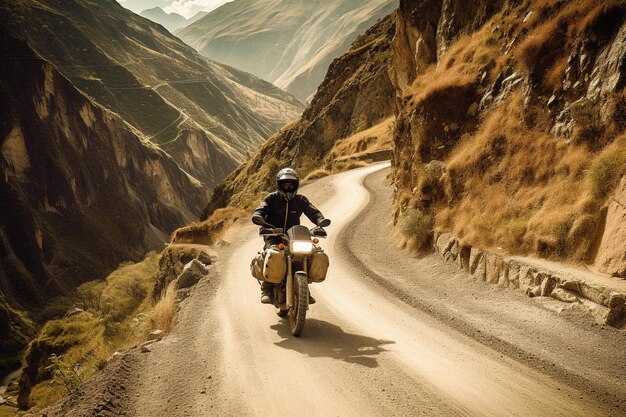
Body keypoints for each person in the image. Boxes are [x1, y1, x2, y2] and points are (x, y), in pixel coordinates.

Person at [252, 167, 329, 304]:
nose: (288, 188)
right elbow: (261, 210)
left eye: (291, 184)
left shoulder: (300, 200)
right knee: (273, 254)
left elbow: (313, 212)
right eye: (285, 184)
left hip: (295, 235)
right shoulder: (272, 198)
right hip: (274, 234)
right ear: (279, 185)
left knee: (307, 255)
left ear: (296, 185)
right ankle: (266, 288)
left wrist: (320, 221)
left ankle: (303, 289)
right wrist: (259, 217)